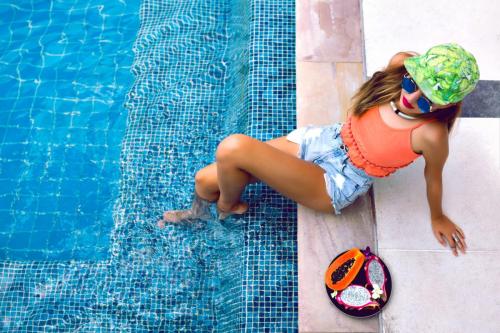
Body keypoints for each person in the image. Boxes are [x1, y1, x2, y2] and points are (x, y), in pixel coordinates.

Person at [158, 43, 479, 257]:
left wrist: (437, 216)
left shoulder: (431, 134)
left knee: (233, 148)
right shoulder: (400, 65)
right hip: (325, 141)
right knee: (204, 181)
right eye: (412, 83)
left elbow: (433, 177)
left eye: (426, 100)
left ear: (444, 106)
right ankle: (197, 215)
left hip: (341, 180)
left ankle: (227, 208)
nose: (410, 98)